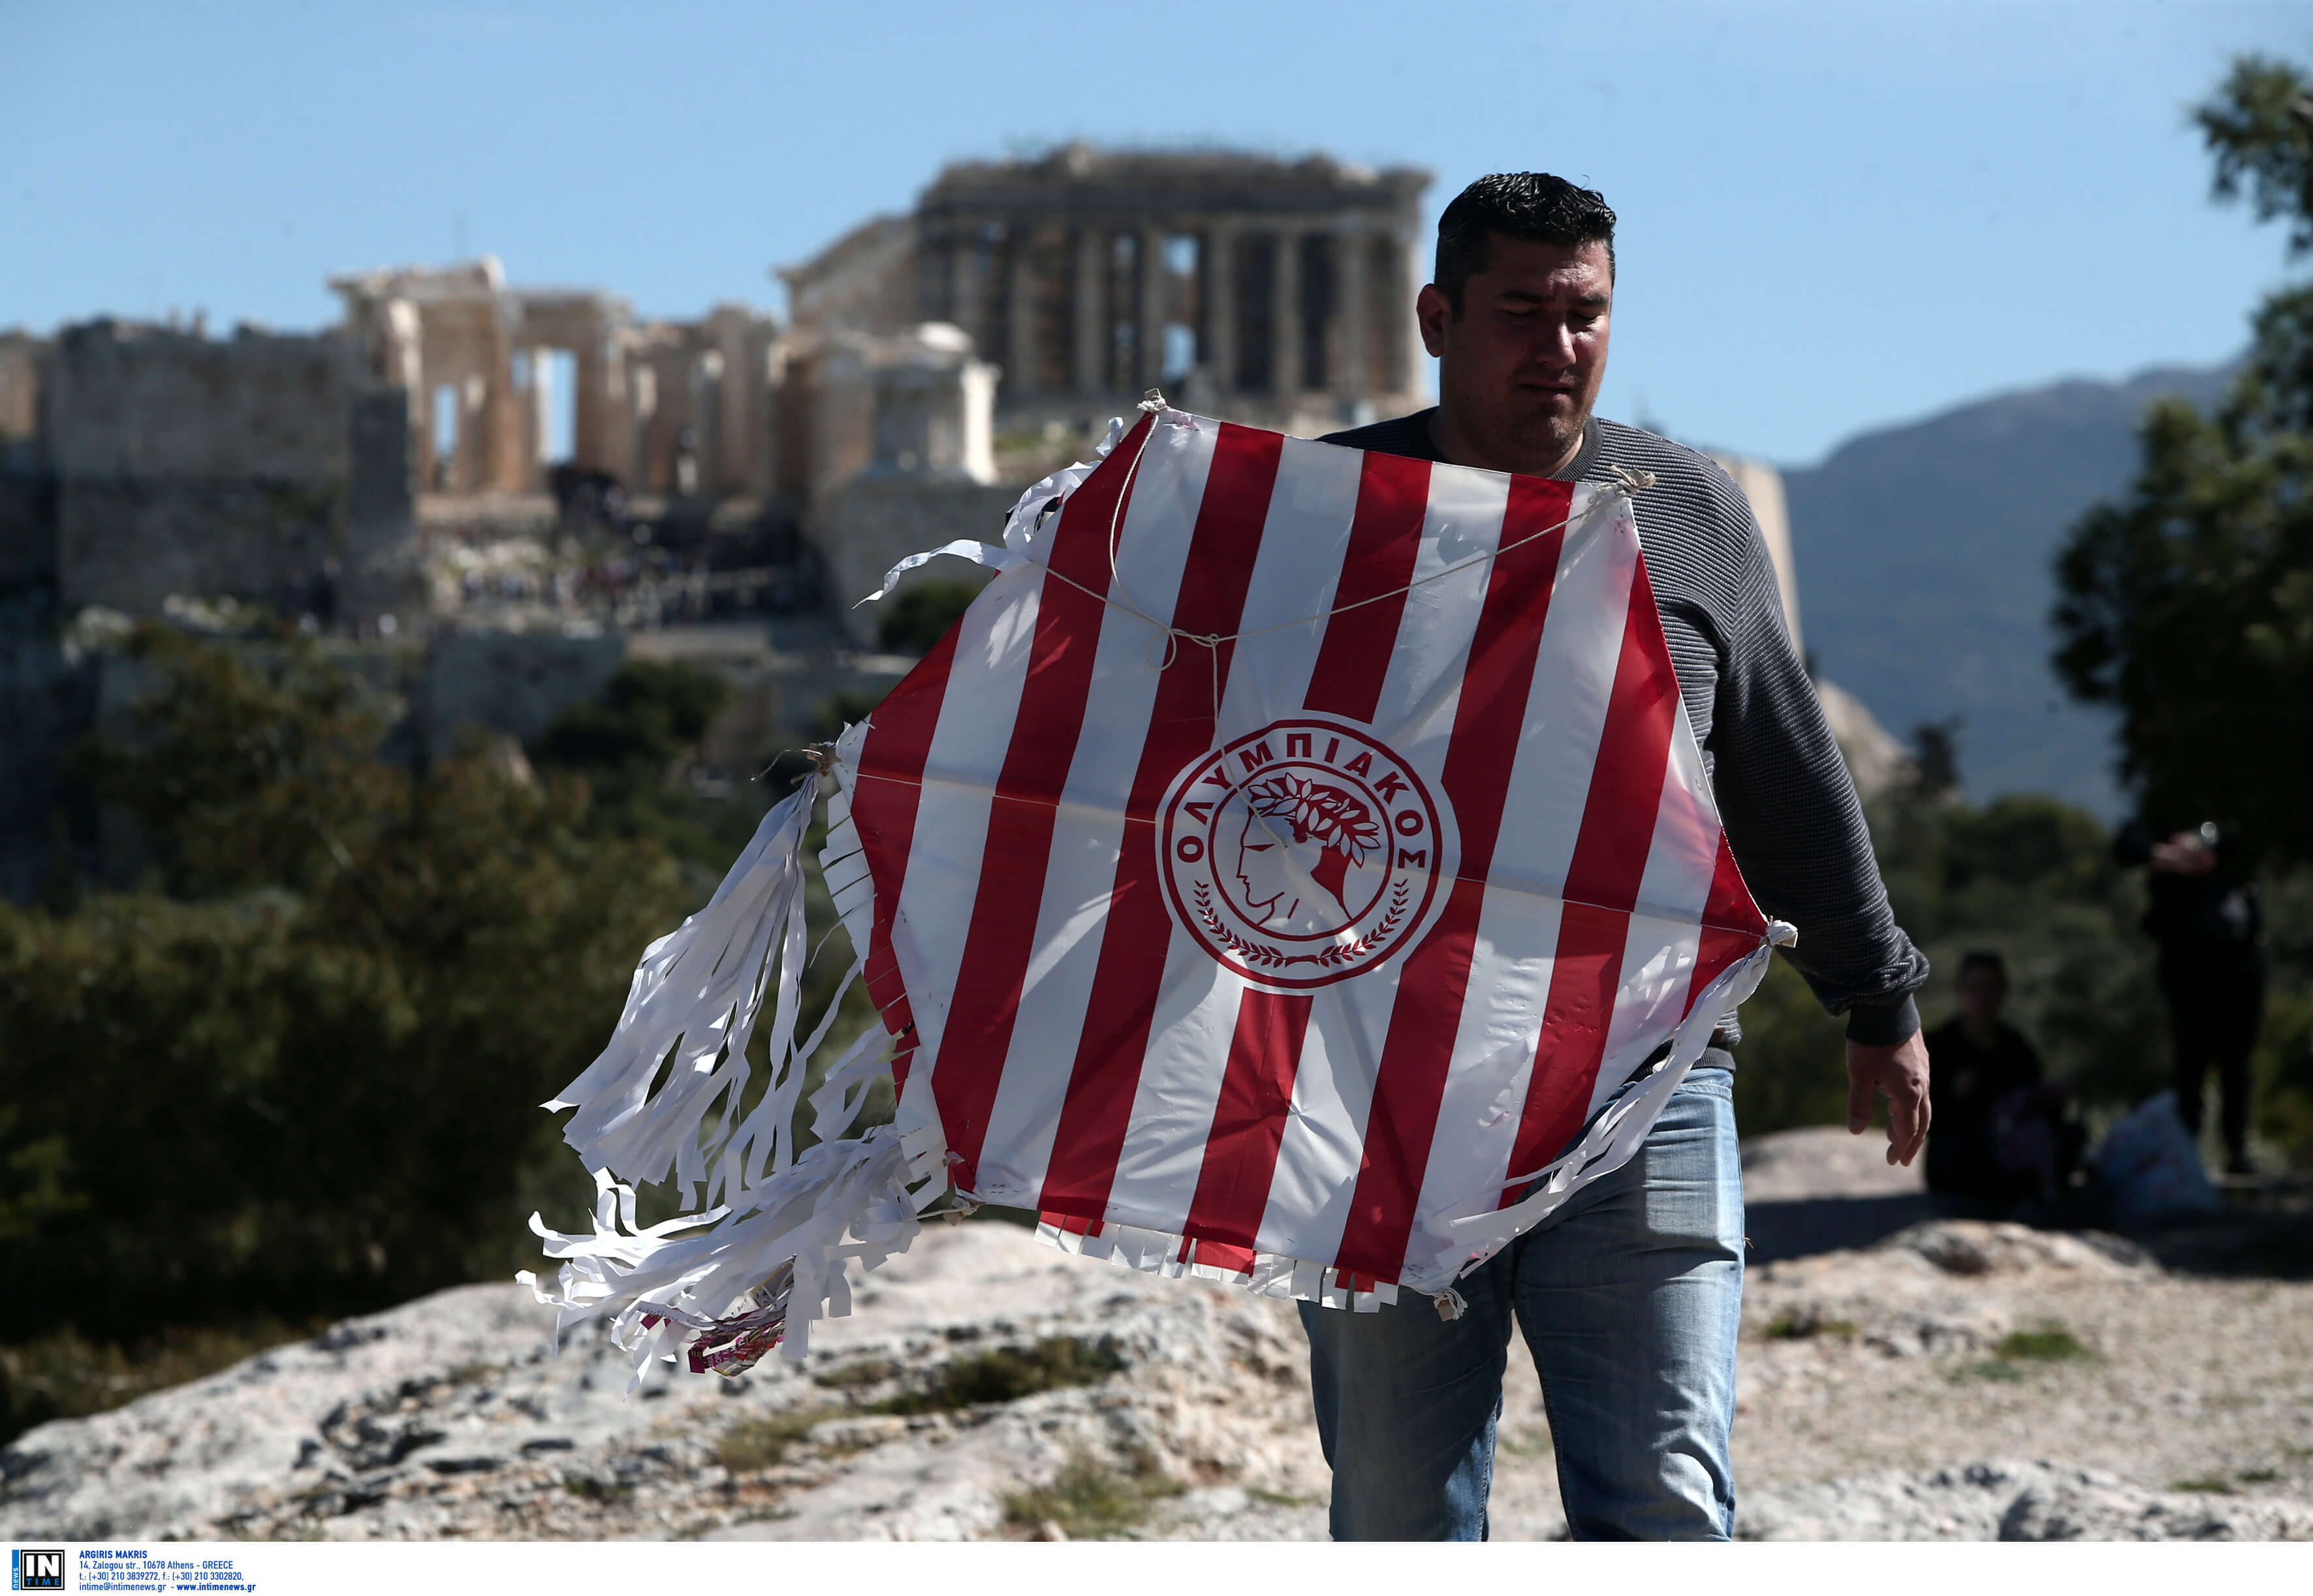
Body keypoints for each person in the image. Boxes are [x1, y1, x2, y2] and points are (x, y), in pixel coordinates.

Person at [1304, 172, 1930, 1541]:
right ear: (1435, 316)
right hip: (1382, 1098)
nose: (1559, 345)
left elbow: (1779, 767)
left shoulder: (1687, 510)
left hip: (1644, 1080)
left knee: (1661, 1501)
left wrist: (1874, 1000)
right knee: (1397, 1509)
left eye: (1584, 313)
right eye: (1520, 311)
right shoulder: (1321, 511)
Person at [2116, 821, 2265, 1175]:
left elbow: (2246, 842)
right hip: (2189, 976)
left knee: (2237, 1067)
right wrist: (2163, 855)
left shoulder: (2232, 843)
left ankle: (2237, 1152)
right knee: (2190, 1067)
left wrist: (2205, 842)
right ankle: (2185, 1155)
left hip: (2239, 974)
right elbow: (2126, 846)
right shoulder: (2161, 825)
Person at [1923, 951, 2073, 1206]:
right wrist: (1954, 1096)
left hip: (2011, 1148)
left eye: (1991, 988)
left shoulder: (2016, 1047)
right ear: (1960, 992)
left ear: (2003, 993)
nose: (1982, 998)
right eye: (1975, 989)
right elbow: (1922, 1118)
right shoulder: (1939, 1046)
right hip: (1962, 1155)